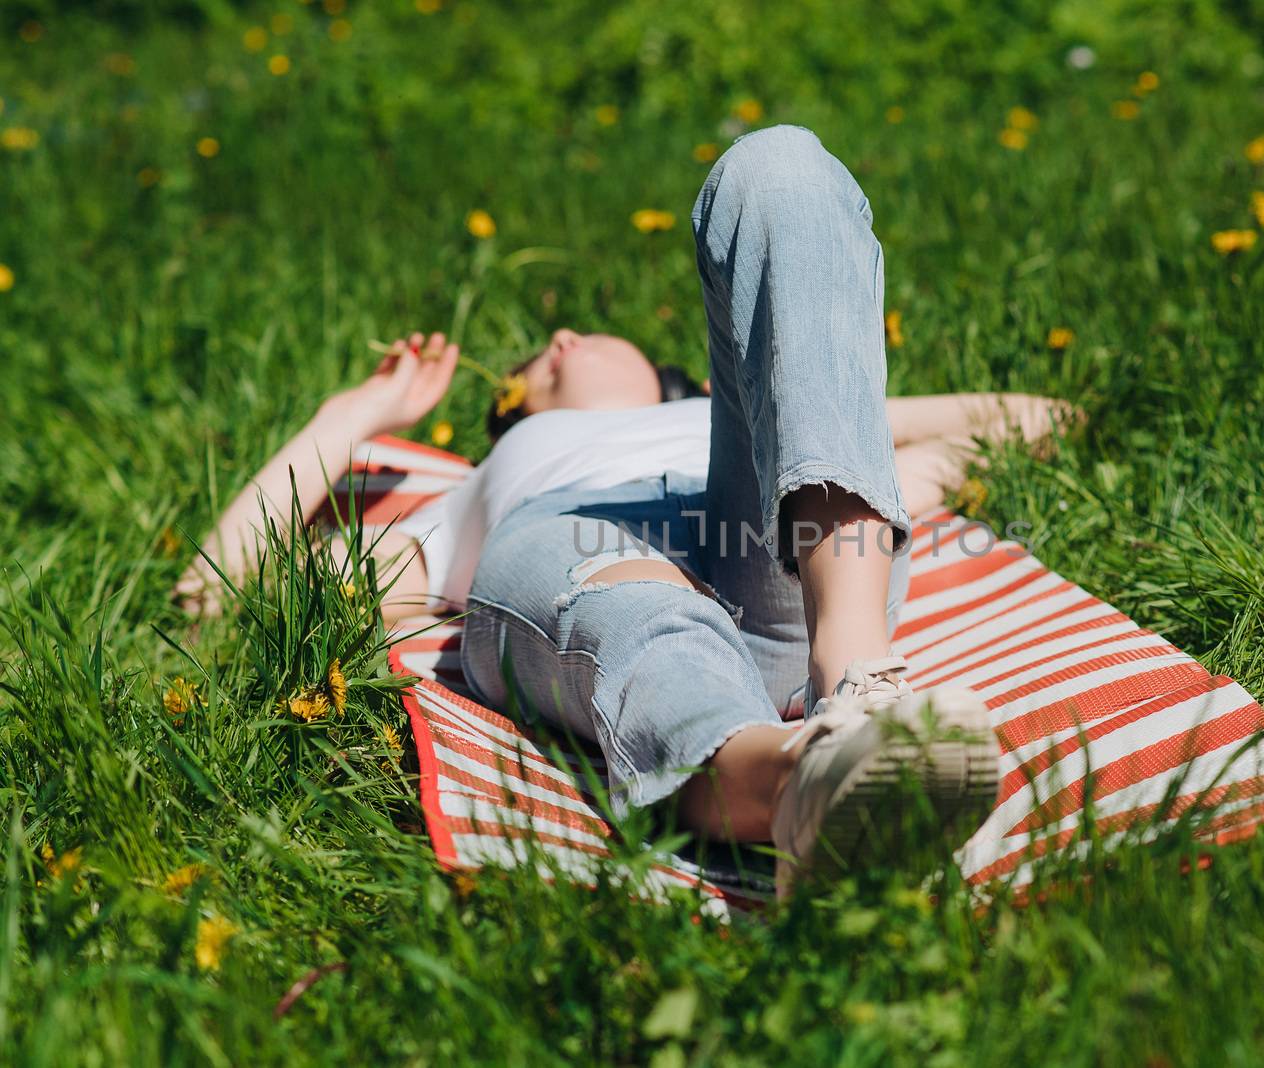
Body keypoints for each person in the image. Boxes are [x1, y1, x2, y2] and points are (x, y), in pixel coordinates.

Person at [176, 126, 1076, 894]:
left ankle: (859, 684)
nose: (557, 339)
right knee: (639, 598)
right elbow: (211, 588)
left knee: (779, 162)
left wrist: (1040, 420)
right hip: (578, 546)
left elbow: (985, 424)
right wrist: (356, 414)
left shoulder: (744, 414)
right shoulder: (476, 486)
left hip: (783, 564)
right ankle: (806, 779)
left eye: (564, 337)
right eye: (531, 369)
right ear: (511, 419)